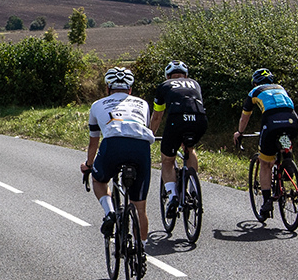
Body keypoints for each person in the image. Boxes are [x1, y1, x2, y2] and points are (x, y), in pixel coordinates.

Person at [82, 67, 155, 245]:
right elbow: (144, 127)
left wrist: (89, 165)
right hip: (140, 147)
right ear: (130, 89)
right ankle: (141, 252)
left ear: (108, 88)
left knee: (99, 180)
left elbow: (94, 142)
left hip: (113, 144)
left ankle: (110, 212)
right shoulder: (142, 104)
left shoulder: (97, 105)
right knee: (140, 208)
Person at [231, 68, 298, 219]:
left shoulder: (254, 92)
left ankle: (266, 201)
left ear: (255, 83)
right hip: (292, 121)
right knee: (284, 137)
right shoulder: (280, 88)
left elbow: (245, 117)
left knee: (265, 163)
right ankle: (287, 156)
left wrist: (240, 132)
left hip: (271, 123)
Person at [148, 60, 206, 210]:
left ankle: (173, 196)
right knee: (190, 148)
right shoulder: (195, 83)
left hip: (177, 120)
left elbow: (157, 116)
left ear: (168, 76)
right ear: (186, 75)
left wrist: (149, 134)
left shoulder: (164, 86)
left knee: (167, 160)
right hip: (199, 119)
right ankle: (193, 189)